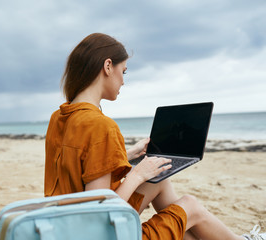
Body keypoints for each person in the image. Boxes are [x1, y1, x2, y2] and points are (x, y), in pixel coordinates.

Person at [44, 33, 265, 240]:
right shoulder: (101, 125)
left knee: (159, 180)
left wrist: (127, 155)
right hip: (99, 233)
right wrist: (137, 174)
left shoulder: (60, 117)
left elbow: (79, 167)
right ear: (108, 66)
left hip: (67, 227)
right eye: (124, 71)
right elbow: (100, 213)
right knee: (190, 204)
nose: (123, 81)